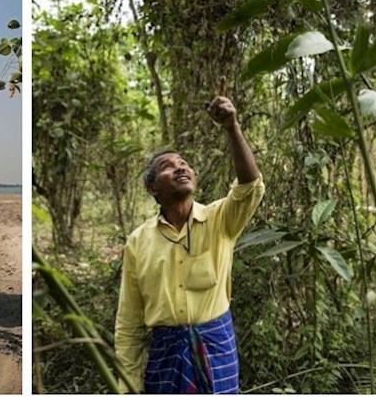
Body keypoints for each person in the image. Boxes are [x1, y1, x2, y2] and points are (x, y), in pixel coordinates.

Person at [114, 83, 265, 394]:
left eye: (183, 163)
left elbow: (250, 186)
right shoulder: (138, 242)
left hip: (215, 346)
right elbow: (129, 322)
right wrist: (126, 387)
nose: (179, 167)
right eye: (167, 167)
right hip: (165, 354)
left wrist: (232, 126)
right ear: (153, 189)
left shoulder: (219, 219)